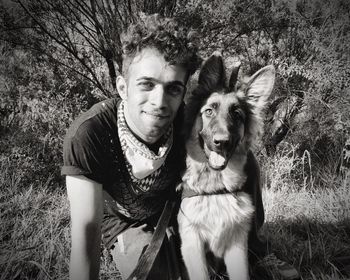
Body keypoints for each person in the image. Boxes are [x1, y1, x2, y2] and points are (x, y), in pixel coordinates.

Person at [61, 13, 299, 280]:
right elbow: (85, 235)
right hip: (125, 222)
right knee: (158, 274)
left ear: (183, 91)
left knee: (244, 159)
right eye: (146, 85)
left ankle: (256, 249)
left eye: (173, 89)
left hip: (171, 209)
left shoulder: (187, 122)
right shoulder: (90, 134)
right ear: (122, 86)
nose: (159, 102)